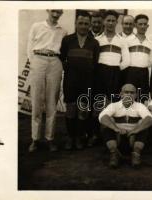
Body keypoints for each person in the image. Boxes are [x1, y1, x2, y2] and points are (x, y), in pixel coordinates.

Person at [27, 10, 67, 152]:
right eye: (54, 11)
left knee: (52, 102)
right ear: (48, 10)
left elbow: (63, 50)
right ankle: (35, 139)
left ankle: (50, 138)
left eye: (59, 12)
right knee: (37, 101)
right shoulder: (37, 26)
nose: (56, 14)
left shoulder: (63, 31)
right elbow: (29, 46)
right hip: (38, 59)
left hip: (55, 61)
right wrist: (34, 63)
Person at [60, 11, 100, 150]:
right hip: (71, 81)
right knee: (70, 110)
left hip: (87, 82)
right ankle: (70, 138)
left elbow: (95, 63)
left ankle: (79, 138)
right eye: (80, 23)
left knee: (83, 111)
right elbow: (62, 58)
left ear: (89, 25)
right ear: (76, 24)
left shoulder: (94, 43)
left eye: (86, 24)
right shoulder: (67, 40)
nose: (83, 26)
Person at [99, 84, 152, 168]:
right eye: (126, 92)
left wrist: (136, 130)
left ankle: (136, 154)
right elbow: (102, 118)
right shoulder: (114, 105)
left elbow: (150, 119)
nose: (129, 94)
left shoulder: (140, 106)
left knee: (144, 122)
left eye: (132, 93)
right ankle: (114, 154)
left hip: (134, 140)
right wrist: (116, 129)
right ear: (121, 94)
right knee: (107, 123)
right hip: (117, 139)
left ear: (136, 95)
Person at [95, 10, 130, 103]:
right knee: (99, 100)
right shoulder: (97, 40)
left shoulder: (122, 40)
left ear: (116, 22)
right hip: (100, 72)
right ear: (103, 21)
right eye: (108, 20)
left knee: (112, 101)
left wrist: (116, 69)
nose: (110, 23)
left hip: (115, 73)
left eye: (113, 21)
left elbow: (127, 61)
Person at [123, 14, 152, 103]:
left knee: (142, 98)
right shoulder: (127, 40)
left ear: (147, 26)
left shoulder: (151, 42)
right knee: (128, 97)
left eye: (145, 24)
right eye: (140, 24)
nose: (143, 26)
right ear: (135, 25)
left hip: (144, 73)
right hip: (130, 72)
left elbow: (150, 61)